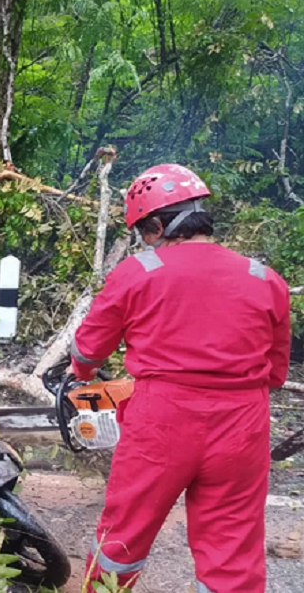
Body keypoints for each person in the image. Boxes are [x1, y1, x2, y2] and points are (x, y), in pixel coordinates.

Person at [70, 164, 290, 593]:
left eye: (143, 233)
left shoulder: (137, 272)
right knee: (232, 553)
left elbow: (86, 350)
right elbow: (276, 373)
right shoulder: (265, 279)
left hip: (161, 420)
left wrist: (84, 376)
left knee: (124, 535)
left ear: (155, 225)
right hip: (243, 425)